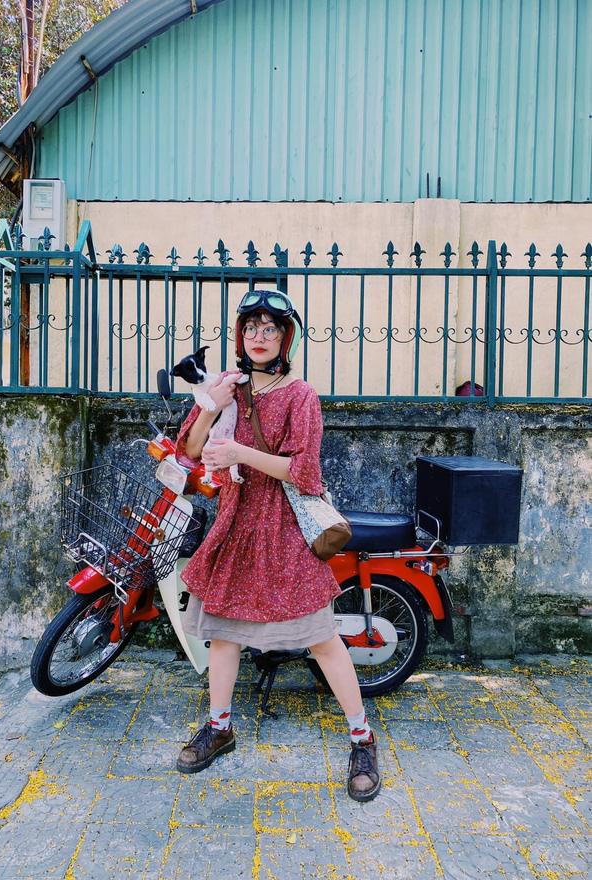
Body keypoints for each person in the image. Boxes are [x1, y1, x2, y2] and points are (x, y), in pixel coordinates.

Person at [174, 289, 380, 802]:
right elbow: (190, 450)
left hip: (285, 532)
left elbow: (305, 472)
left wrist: (241, 453)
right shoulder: (229, 385)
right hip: (235, 526)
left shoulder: (300, 395)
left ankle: (362, 738)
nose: (258, 337)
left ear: (286, 338)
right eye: (251, 328)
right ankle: (220, 727)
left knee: (321, 637)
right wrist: (212, 404)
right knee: (224, 636)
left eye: (270, 328)